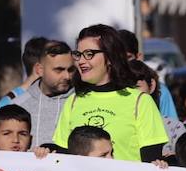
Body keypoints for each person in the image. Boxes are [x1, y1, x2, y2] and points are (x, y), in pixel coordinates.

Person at [51, 25, 169, 162]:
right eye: (78, 54)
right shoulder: (73, 101)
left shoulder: (141, 102)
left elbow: (151, 165)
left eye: (89, 54)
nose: (81, 61)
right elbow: (62, 158)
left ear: (110, 57)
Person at [11, 41, 73, 143]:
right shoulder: (18, 105)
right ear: (39, 70)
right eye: (59, 70)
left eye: (70, 70)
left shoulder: (81, 102)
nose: (67, 76)